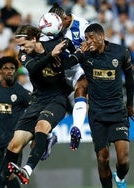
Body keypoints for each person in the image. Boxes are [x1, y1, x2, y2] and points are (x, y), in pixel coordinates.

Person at [0, 24, 74, 186]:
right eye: (19, 46)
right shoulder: (23, 55)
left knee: (41, 127)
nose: (21, 48)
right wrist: (51, 55)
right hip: (37, 101)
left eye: (24, 44)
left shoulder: (52, 44)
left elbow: (69, 43)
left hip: (57, 99)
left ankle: (28, 169)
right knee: (14, 145)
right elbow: (34, 68)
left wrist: (66, 42)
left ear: (34, 39)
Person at [64, 23, 134, 188]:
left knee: (123, 159)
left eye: (91, 38)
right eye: (86, 38)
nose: (88, 41)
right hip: (97, 114)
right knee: (103, 159)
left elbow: (130, 79)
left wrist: (130, 105)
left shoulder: (120, 52)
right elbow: (65, 65)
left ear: (102, 37)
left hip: (118, 112)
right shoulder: (85, 55)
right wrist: (78, 52)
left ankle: (120, 177)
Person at [0, 56, 32, 188]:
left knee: (8, 174)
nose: (9, 71)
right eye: (6, 68)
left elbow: (34, 110)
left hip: (15, 141)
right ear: (0, 71)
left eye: (12, 68)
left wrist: (32, 133)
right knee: (3, 173)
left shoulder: (21, 92)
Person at [47, 2, 89, 151]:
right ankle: (48, 137)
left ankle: (76, 128)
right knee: (45, 100)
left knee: (82, 86)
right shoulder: (49, 27)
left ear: (64, 19)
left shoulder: (82, 25)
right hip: (59, 71)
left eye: (58, 26)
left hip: (78, 68)